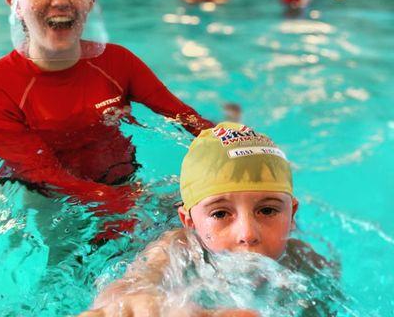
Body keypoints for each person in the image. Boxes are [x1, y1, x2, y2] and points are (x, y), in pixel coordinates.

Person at [0, 0, 213, 217]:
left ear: (89, 1)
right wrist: (136, 206)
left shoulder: (118, 62)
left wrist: (237, 142)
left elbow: (186, 118)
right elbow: (44, 175)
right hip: (46, 203)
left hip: (123, 184)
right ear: (16, 4)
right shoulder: (0, 85)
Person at [77, 122, 331, 317]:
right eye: (220, 214)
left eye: (267, 211)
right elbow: (135, 284)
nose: (247, 233)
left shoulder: (307, 262)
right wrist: (141, 304)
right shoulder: (174, 249)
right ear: (190, 222)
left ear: (292, 214)